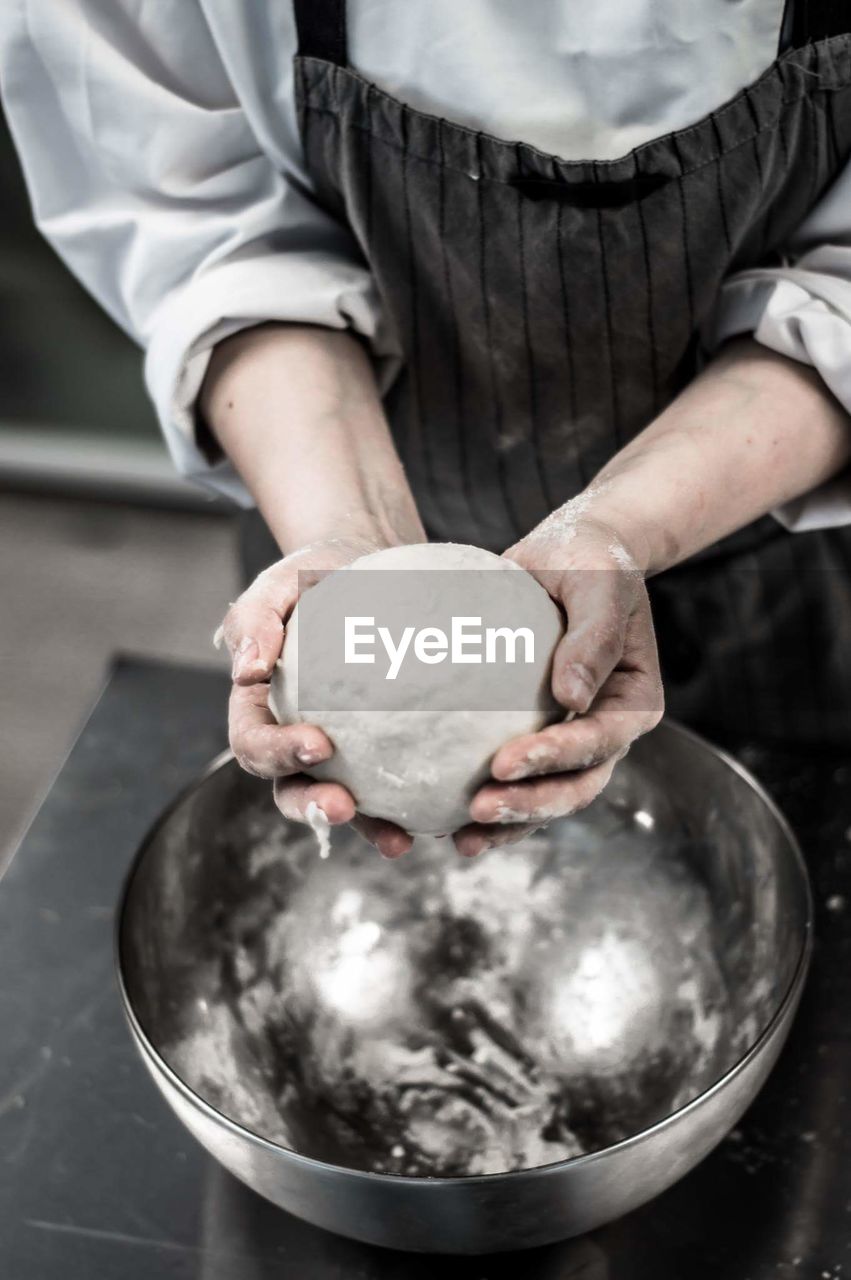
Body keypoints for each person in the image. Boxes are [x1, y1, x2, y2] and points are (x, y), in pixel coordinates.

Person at [3, 1, 851, 859]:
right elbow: (202, 228)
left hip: (785, 524)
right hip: (335, 470)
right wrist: (347, 535)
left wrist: (619, 530)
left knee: (788, 843)